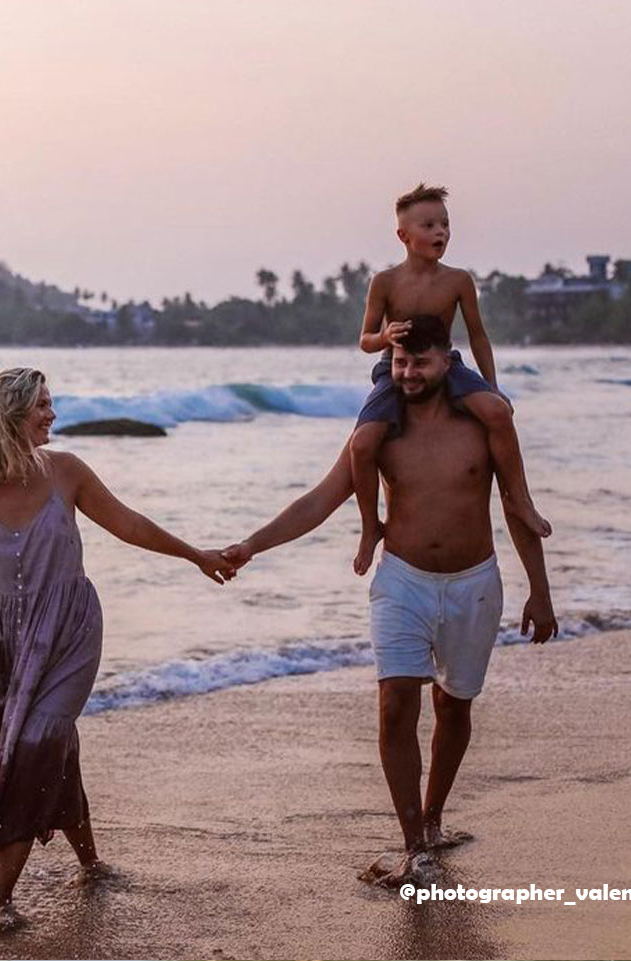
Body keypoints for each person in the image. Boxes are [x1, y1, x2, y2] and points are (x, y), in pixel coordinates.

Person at [225, 318, 558, 886]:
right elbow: (320, 499)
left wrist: (540, 591)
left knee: (454, 706)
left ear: (448, 361)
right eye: (400, 363)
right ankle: (413, 847)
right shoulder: (381, 429)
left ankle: (432, 818)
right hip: (402, 580)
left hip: (474, 582)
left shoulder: (481, 424)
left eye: (420, 363)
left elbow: (516, 505)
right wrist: (251, 545)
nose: (408, 374)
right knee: (396, 703)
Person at [0, 367, 236, 933]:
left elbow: (129, 524)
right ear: (10, 414)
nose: (51, 414)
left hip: (70, 633)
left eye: (50, 403)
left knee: (35, 744)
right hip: (2, 640)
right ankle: (90, 861)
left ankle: (0, 900)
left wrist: (195, 555)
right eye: (41, 406)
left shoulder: (67, 472)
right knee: (45, 748)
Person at [350, 183, 551, 577]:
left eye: (444, 224)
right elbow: (365, 341)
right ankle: (371, 526)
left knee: (497, 413)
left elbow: (478, 336)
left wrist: (493, 386)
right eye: (428, 225)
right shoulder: (385, 282)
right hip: (396, 367)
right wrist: (385, 337)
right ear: (404, 236)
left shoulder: (458, 280)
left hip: (447, 364)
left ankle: (520, 498)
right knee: (361, 445)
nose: (440, 231)